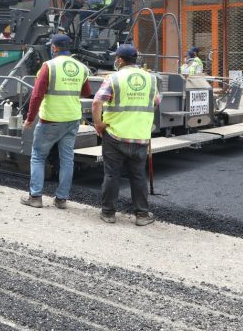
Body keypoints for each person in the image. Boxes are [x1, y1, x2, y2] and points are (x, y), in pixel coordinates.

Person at [92, 44, 161, 226]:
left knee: (112, 175)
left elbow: (97, 102)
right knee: (138, 176)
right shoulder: (150, 78)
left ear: (120, 60)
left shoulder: (113, 78)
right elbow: (156, 101)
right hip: (140, 136)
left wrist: (98, 124)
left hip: (115, 135)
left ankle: (108, 213)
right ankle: (142, 215)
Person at [21, 34, 92, 209]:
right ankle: (61, 199)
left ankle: (35, 197)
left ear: (54, 48)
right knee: (67, 159)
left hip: (50, 120)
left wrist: (30, 119)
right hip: (72, 119)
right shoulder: (82, 68)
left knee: (38, 156)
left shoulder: (48, 66)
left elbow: (36, 95)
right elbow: (86, 92)